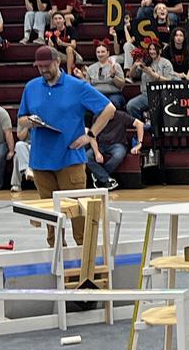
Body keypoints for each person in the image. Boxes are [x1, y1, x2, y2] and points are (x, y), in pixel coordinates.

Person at [17, 45, 116, 241]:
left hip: (70, 159)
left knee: (78, 215)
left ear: (57, 62)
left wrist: (90, 134)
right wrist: (30, 121)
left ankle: (85, 260)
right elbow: (21, 118)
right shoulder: (31, 87)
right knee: (52, 220)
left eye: (47, 65)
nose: (43, 70)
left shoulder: (77, 86)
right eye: (39, 67)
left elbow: (109, 109)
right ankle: (56, 254)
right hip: (41, 161)